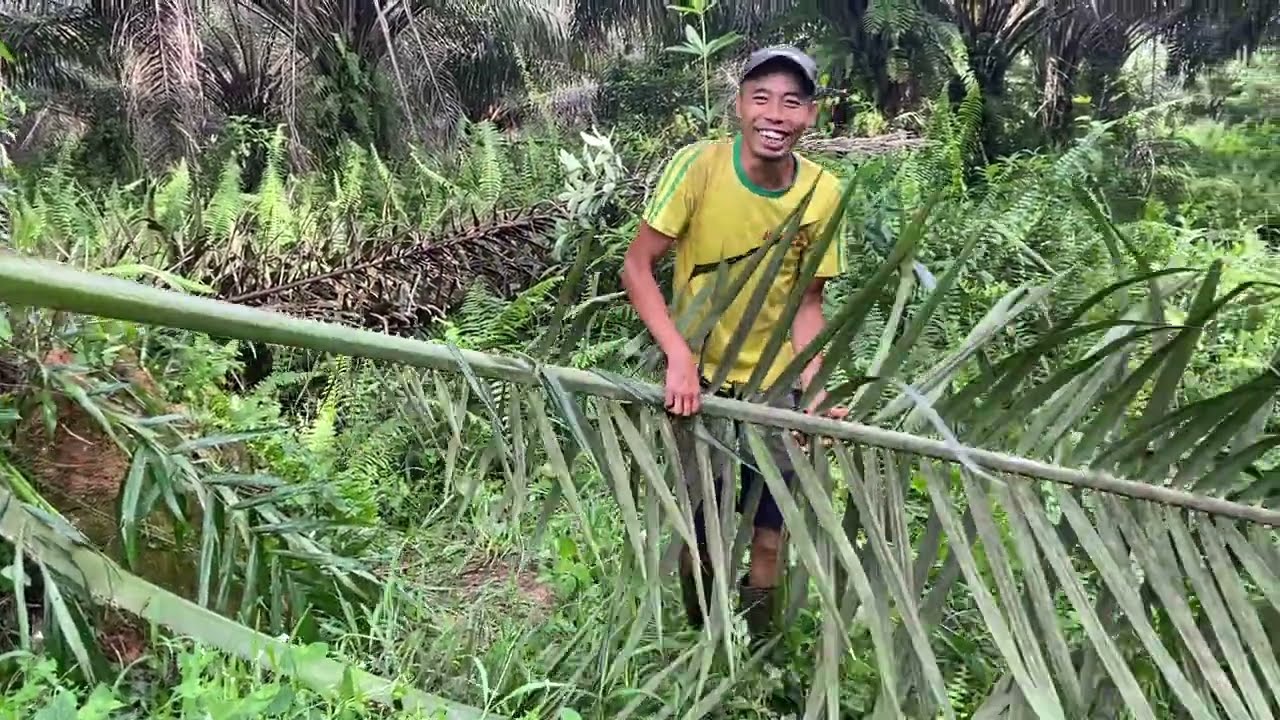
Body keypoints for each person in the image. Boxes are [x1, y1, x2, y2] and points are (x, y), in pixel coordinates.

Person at [619, 45, 849, 645]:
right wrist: (678, 354)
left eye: (792, 102)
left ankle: (758, 662)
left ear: (811, 115)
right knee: (704, 533)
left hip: (776, 390)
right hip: (700, 382)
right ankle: (703, 647)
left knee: (770, 538)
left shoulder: (823, 193)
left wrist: (816, 390)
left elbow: (807, 304)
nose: (775, 114)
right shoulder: (698, 167)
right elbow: (637, 267)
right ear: (739, 105)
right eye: (761, 97)